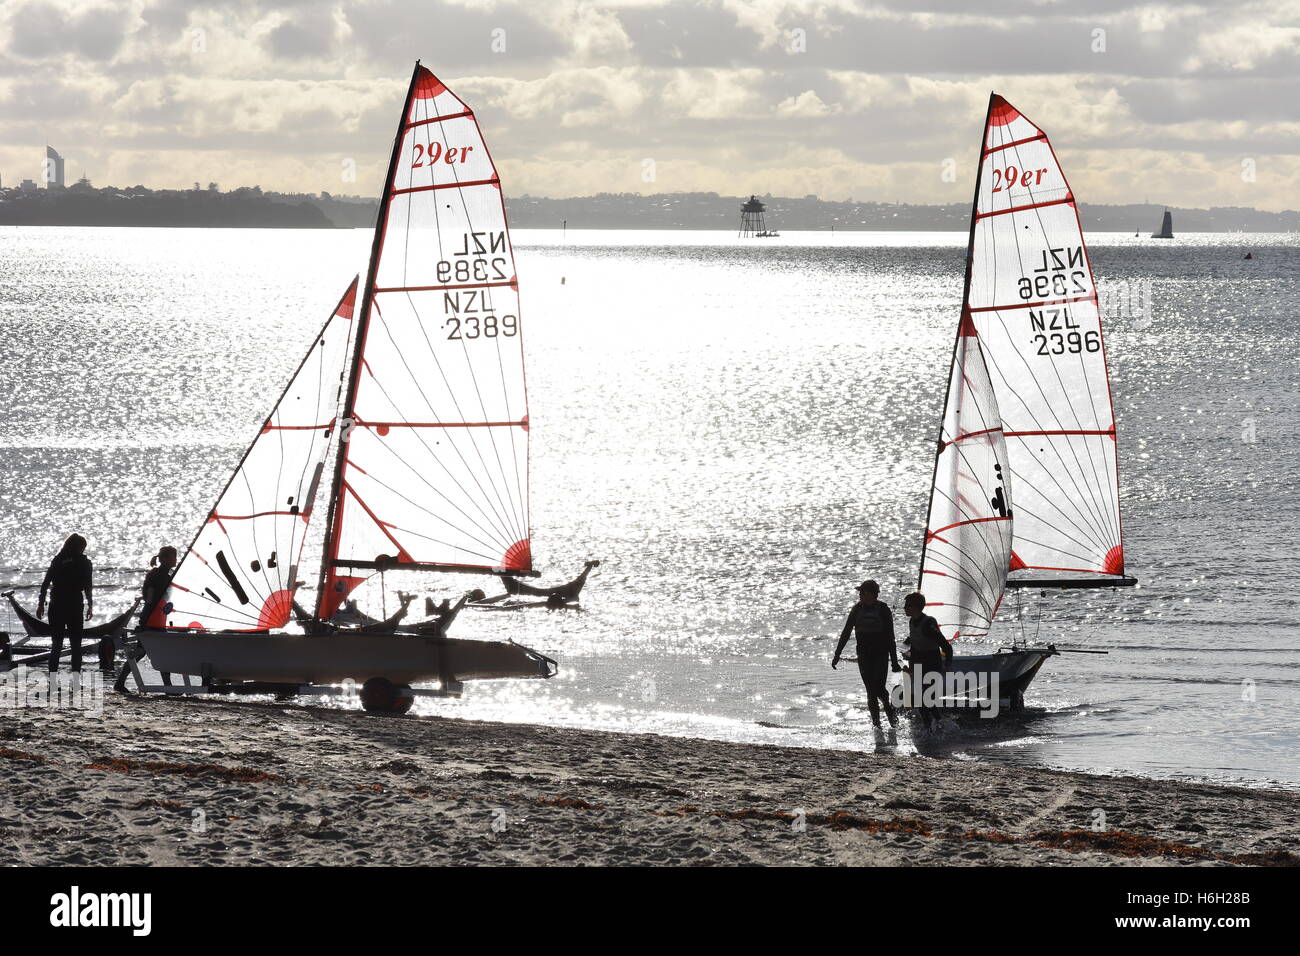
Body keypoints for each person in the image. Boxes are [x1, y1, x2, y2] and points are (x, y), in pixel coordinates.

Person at [832, 579, 900, 729]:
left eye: (863, 592)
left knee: (880, 690)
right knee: (870, 691)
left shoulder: (883, 609)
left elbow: (890, 637)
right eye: (860, 592)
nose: (860, 595)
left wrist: (894, 662)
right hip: (864, 657)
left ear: (872, 594)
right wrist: (837, 654)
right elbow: (846, 632)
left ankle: (889, 711)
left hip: (881, 656)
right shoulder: (856, 610)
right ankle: (877, 727)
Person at [37, 534, 93, 673]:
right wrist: (90, 605)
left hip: (57, 602)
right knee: (76, 645)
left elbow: (45, 583)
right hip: (74, 603)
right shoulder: (85, 562)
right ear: (80, 547)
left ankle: (53, 681)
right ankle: (75, 680)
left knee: (56, 644)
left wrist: (40, 603)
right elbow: (88, 586)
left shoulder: (57, 559)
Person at [902, 592, 953, 726]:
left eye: (908, 605)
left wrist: (947, 665)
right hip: (918, 664)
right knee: (921, 700)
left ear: (917, 607)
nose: (904, 608)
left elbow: (947, 647)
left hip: (932, 664)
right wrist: (910, 666)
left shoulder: (928, 623)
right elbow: (913, 643)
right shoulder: (912, 620)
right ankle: (934, 727)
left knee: (926, 699)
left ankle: (936, 727)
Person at [140, 545, 177, 683]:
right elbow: (149, 597)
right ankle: (168, 685)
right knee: (162, 653)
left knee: (144, 651)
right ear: (165, 559)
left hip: (157, 618)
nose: (176, 560)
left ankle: (120, 682)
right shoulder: (157, 575)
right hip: (151, 619)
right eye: (174, 557)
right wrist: (146, 619)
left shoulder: (167, 575)